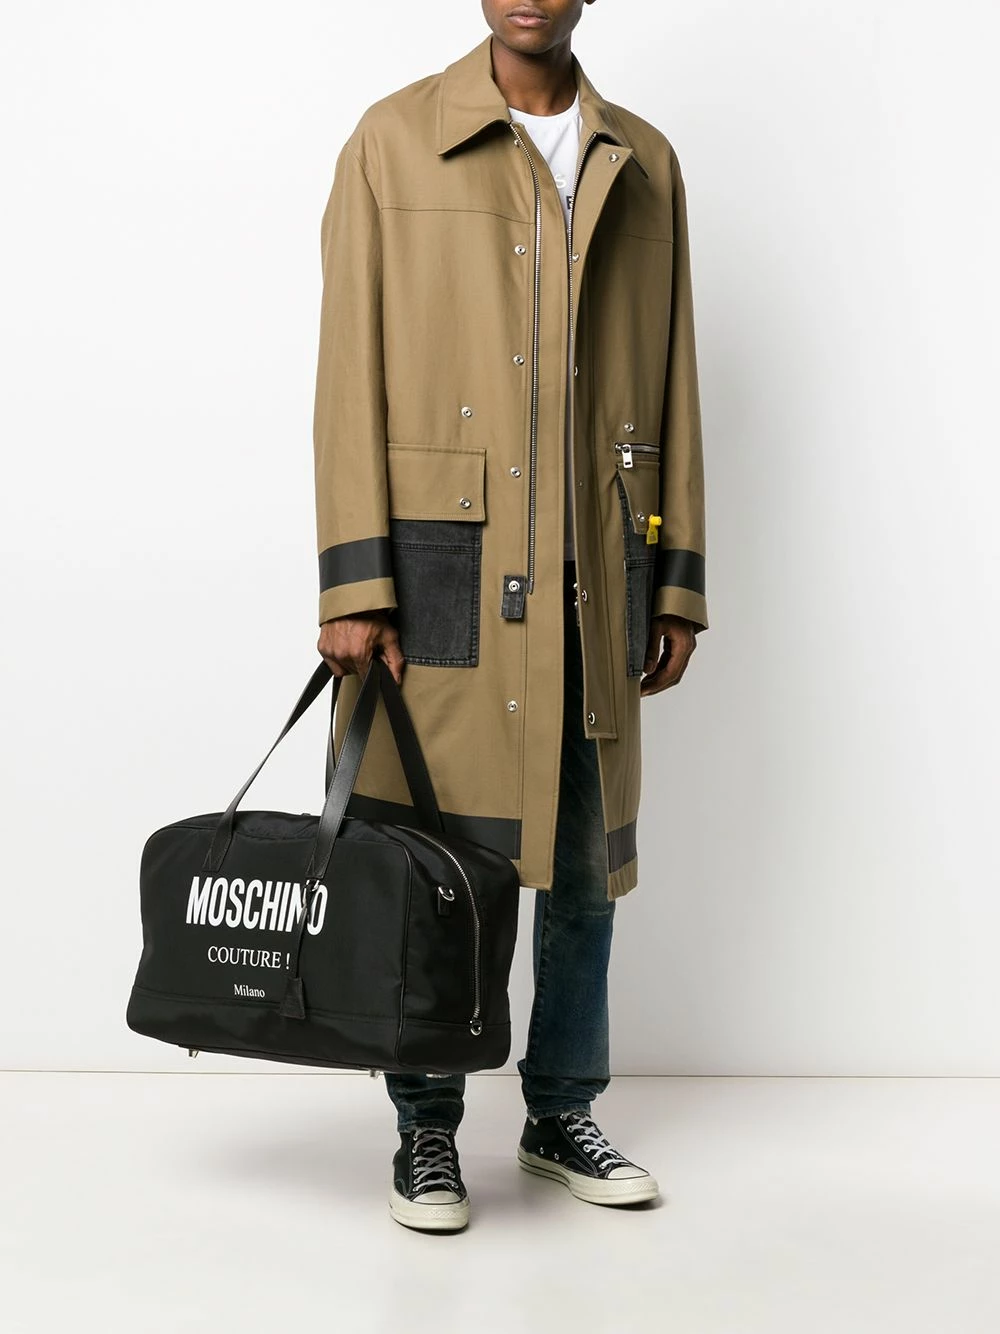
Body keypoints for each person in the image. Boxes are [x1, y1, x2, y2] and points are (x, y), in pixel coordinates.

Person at [312, 0, 708, 1233]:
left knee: (582, 870)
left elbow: (673, 373)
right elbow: (346, 367)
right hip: (444, 569)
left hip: (596, 567)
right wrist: (355, 583)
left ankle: (559, 1109)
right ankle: (425, 1124)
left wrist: (675, 578)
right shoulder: (392, 141)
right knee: (431, 868)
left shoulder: (641, 159)